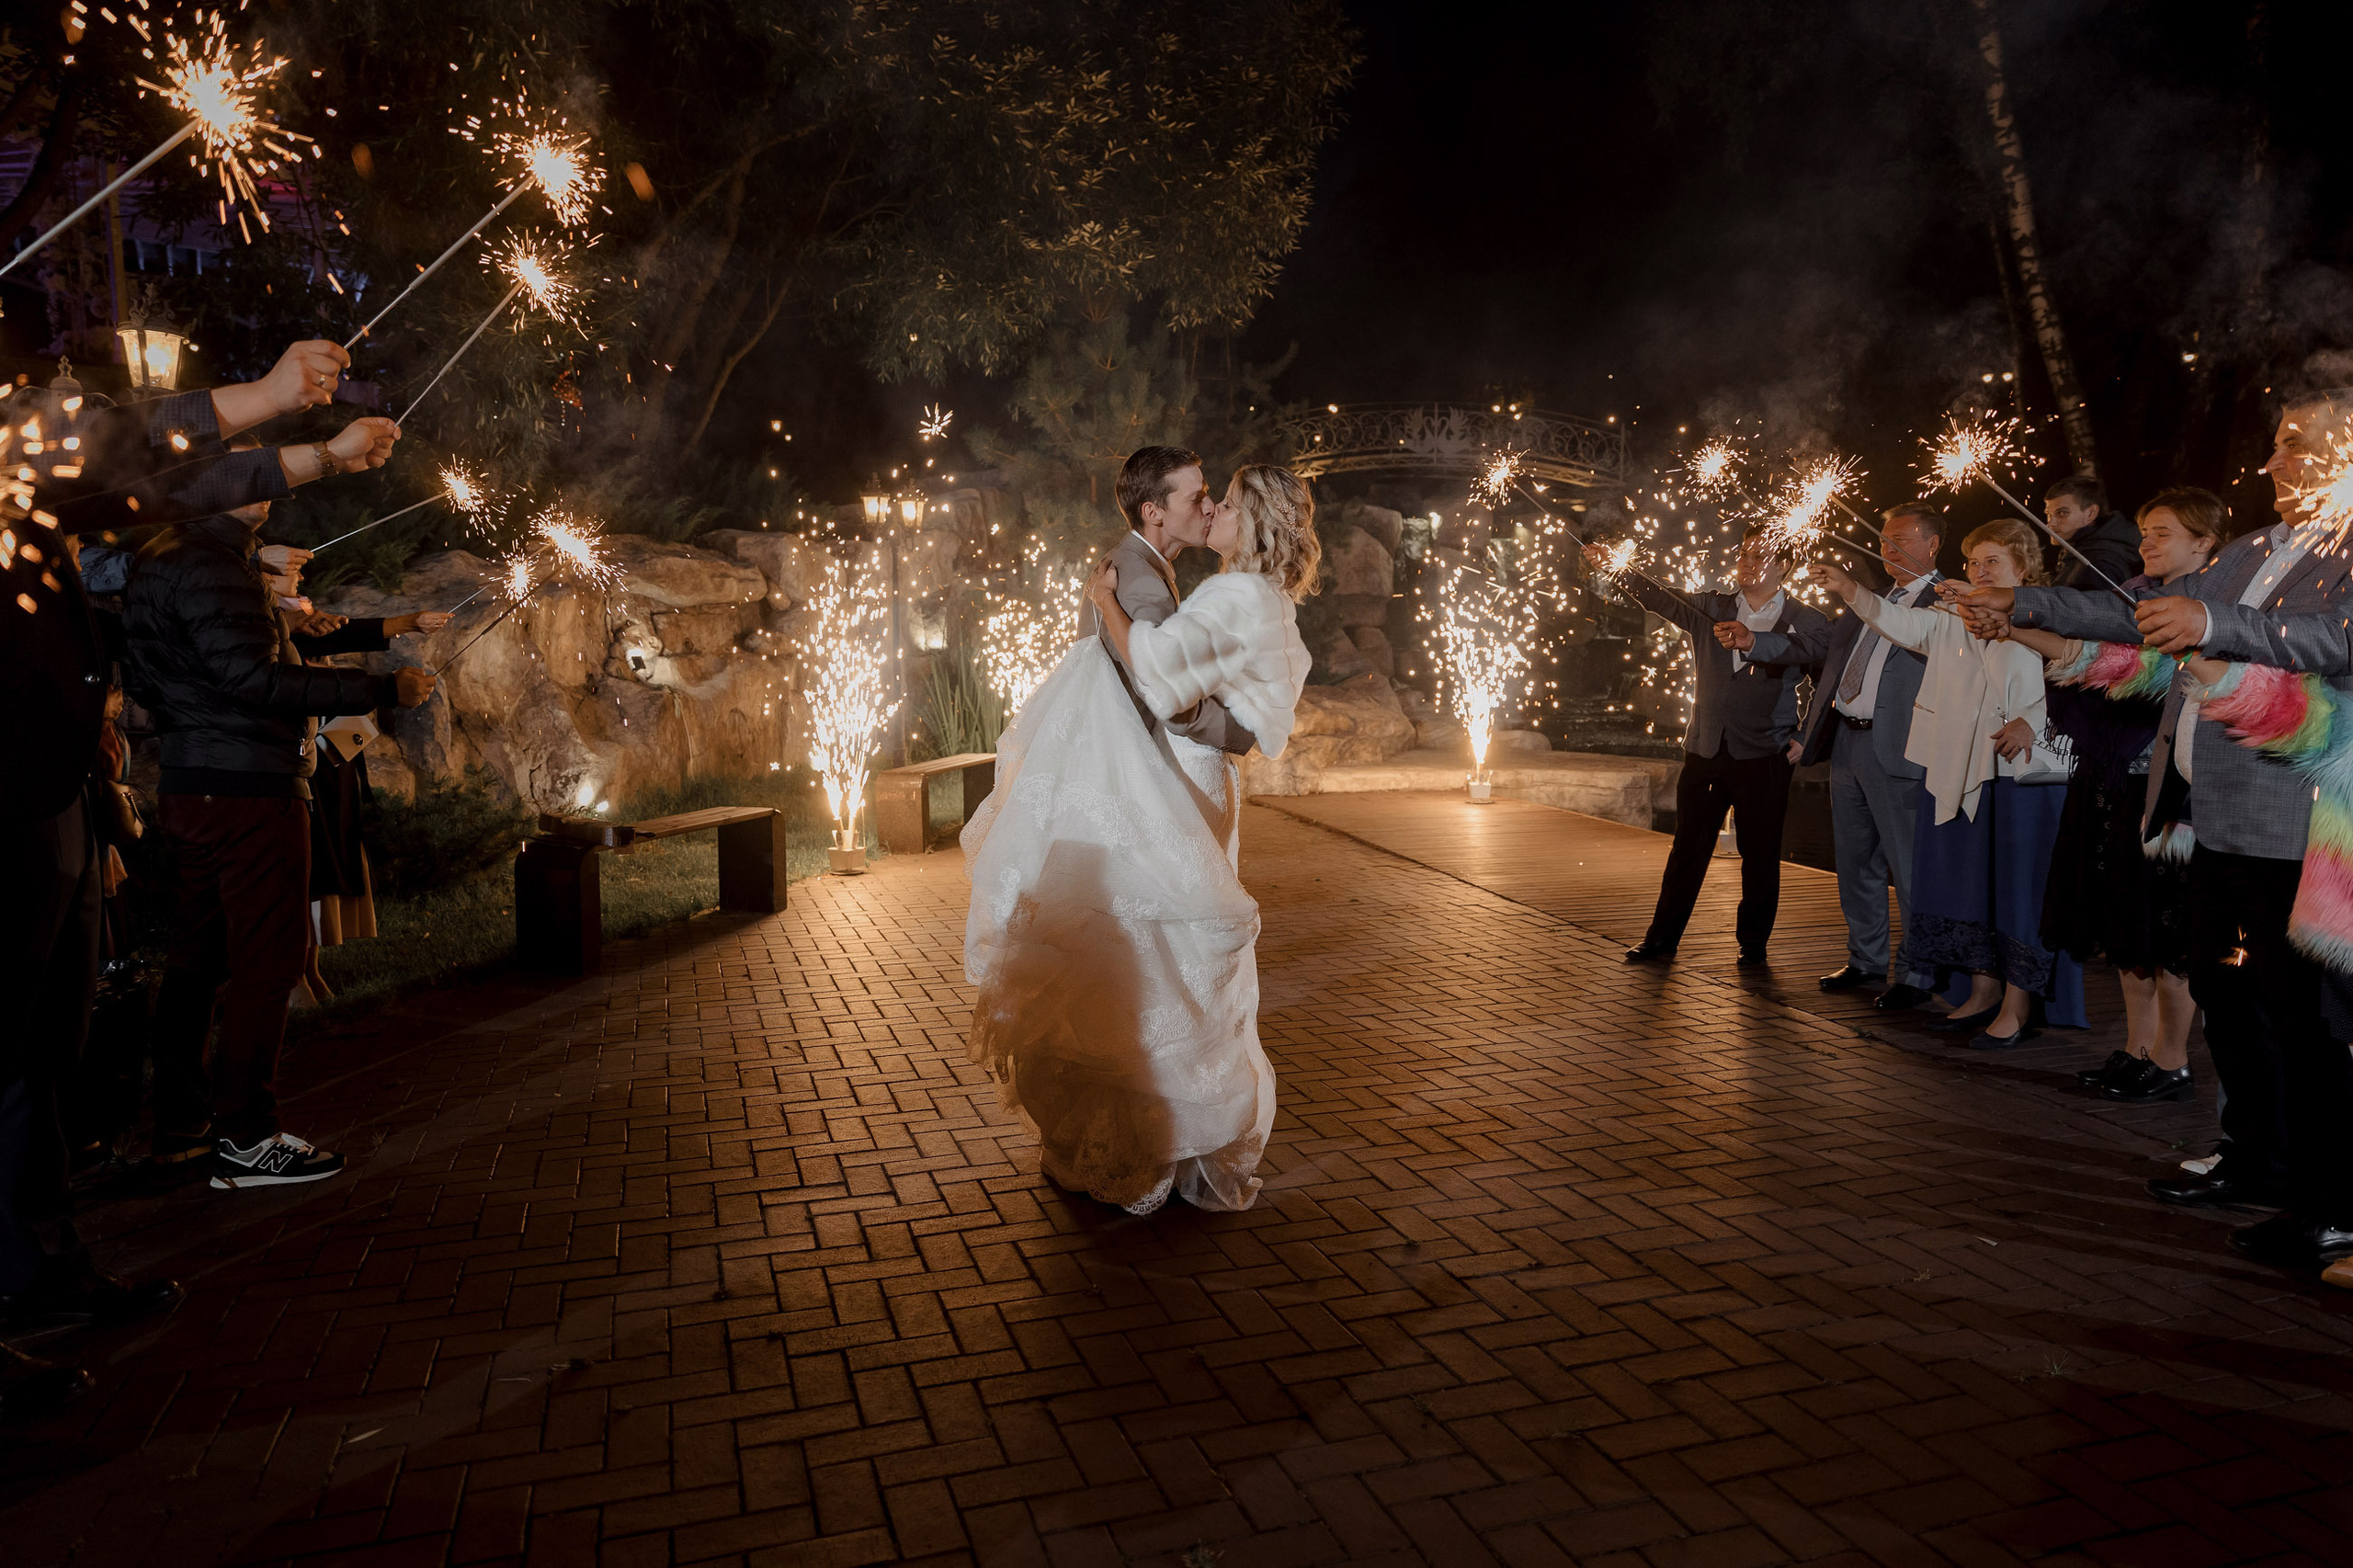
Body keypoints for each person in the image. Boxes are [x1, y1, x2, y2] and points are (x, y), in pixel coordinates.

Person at [0, 339, 375, 1413]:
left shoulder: (44, 486)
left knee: (43, 1046)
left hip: (54, 787)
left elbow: (159, 480)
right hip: (12, 802)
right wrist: (267, 401)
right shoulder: (16, 448)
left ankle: (35, 1266)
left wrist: (317, 456)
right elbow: (132, 445)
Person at [1949, 388, 2353, 1271]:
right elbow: (2135, 610)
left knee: (2311, 1028)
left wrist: (2212, 622)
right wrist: (2024, 608)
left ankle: (2333, 1203)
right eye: (2276, 446)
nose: (2274, 463)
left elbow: (2335, 643)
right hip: (2218, 823)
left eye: (2294, 445)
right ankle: (2258, 1161)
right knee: (2227, 999)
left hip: (2305, 831)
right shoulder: (2252, 549)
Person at [961, 465, 1317, 1216]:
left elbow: (1162, 686)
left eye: (1221, 500)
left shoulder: (1217, 589)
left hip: (1183, 777)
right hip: (1191, 777)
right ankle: (1167, 1131)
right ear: (1156, 512)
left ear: (1249, 524)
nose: (1210, 505)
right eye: (1200, 495)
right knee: (1161, 952)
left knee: (1159, 949)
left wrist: (1103, 606)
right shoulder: (1240, 590)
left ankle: (1156, 1133)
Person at [123, 423, 434, 1193]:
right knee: (270, 962)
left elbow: (208, 672)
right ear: (213, 482)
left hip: (196, 785)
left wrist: (299, 635)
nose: (269, 482)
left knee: (199, 963)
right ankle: (248, 1138)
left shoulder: (169, 556)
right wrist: (379, 688)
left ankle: (182, 1130)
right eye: (251, 470)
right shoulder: (213, 565)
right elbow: (254, 684)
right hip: (248, 792)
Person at [1812, 520, 2083, 1048]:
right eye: (1974, 563)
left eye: (1992, 564)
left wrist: (2033, 718)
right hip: (1959, 766)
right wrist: (1850, 590)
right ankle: (1981, 992)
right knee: (1971, 886)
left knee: (2017, 892)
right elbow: (1902, 625)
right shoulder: (1951, 613)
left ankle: (2019, 1005)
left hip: (2021, 776)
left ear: (2021, 570)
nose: (1979, 572)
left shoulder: (2046, 611)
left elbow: (2076, 679)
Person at [2003, 491, 2220, 1101]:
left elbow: (2134, 673)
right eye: (2145, 532)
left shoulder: (2212, 609)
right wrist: (2021, 628)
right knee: (2123, 922)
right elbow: (2089, 653)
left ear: (2203, 543)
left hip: (2172, 789)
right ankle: (2137, 1046)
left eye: (2163, 533)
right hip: (2108, 779)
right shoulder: (2125, 593)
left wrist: (2031, 632)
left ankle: (2173, 1057)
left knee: (2165, 930)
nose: (2147, 543)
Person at [1730, 504, 1945, 1009]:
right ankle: (1866, 960)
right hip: (1848, 741)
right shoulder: (1875, 599)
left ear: (1932, 544)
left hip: (1900, 744)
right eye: (1885, 540)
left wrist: (1853, 591)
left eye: (1902, 540)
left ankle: (1917, 973)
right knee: (1855, 862)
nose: (1889, 549)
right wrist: (1754, 642)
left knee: (1908, 865)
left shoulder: (1945, 599)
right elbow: (1819, 653)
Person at [1589, 526, 1826, 966]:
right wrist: (1618, 569)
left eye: (1761, 557)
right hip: (1705, 748)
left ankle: (1752, 946)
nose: (1749, 564)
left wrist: (1804, 735)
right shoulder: (1711, 606)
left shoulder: (1806, 620)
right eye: (1744, 555)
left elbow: (1825, 681)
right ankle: (1662, 939)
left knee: (1760, 854)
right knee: (1687, 849)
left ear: (1785, 566)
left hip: (1765, 755)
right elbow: (1661, 596)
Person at [288, 606, 451, 1000]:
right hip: (296, 774)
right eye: (291, 575)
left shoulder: (299, 623)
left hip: (329, 767)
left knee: (324, 866)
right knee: (304, 873)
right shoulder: (266, 630)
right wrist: (383, 685)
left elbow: (338, 639)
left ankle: (309, 969)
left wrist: (409, 622)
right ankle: (292, 977)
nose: (302, 592)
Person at [1081, 446, 1259, 757]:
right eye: (1195, 499)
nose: (1210, 507)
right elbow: (1172, 701)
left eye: (1206, 493)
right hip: (1128, 759)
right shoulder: (1142, 584)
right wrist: (1246, 730)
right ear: (1153, 513)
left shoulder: (1132, 564)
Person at [2042, 474, 2144, 592]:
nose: (2050, 523)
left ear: (2091, 513)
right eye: (2048, 515)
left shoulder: (2099, 564)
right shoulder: (2078, 551)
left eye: (2062, 513)